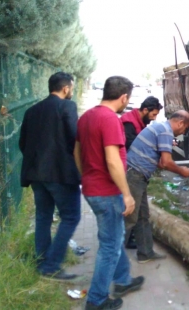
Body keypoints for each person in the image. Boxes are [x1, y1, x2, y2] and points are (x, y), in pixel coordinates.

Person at [74, 76, 143, 310]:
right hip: (107, 192)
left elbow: (77, 151)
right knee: (110, 246)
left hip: (92, 188)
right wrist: (127, 194)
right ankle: (96, 300)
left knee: (113, 236)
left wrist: (87, 176)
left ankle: (123, 280)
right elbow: (113, 161)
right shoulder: (111, 119)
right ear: (124, 97)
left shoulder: (87, 117)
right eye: (128, 99)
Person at [19, 72, 81, 281]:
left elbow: (23, 143)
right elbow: (75, 139)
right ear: (66, 88)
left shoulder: (32, 110)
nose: (71, 91)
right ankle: (51, 265)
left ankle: (42, 260)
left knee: (43, 217)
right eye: (71, 87)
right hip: (61, 174)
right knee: (71, 217)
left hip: (36, 174)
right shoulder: (67, 107)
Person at [124, 110, 189, 263]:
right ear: (180, 123)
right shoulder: (166, 132)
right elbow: (167, 162)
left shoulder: (160, 127)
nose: (183, 132)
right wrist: (183, 171)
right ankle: (111, 260)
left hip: (136, 176)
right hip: (134, 176)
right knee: (129, 219)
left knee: (142, 216)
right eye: (185, 128)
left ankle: (145, 253)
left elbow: (162, 162)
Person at [120, 96, 162, 249]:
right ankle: (116, 252)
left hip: (137, 172)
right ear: (145, 110)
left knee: (141, 213)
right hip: (131, 170)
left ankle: (144, 250)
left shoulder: (140, 122)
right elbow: (131, 146)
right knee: (130, 214)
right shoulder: (129, 123)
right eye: (153, 114)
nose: (154, 118)